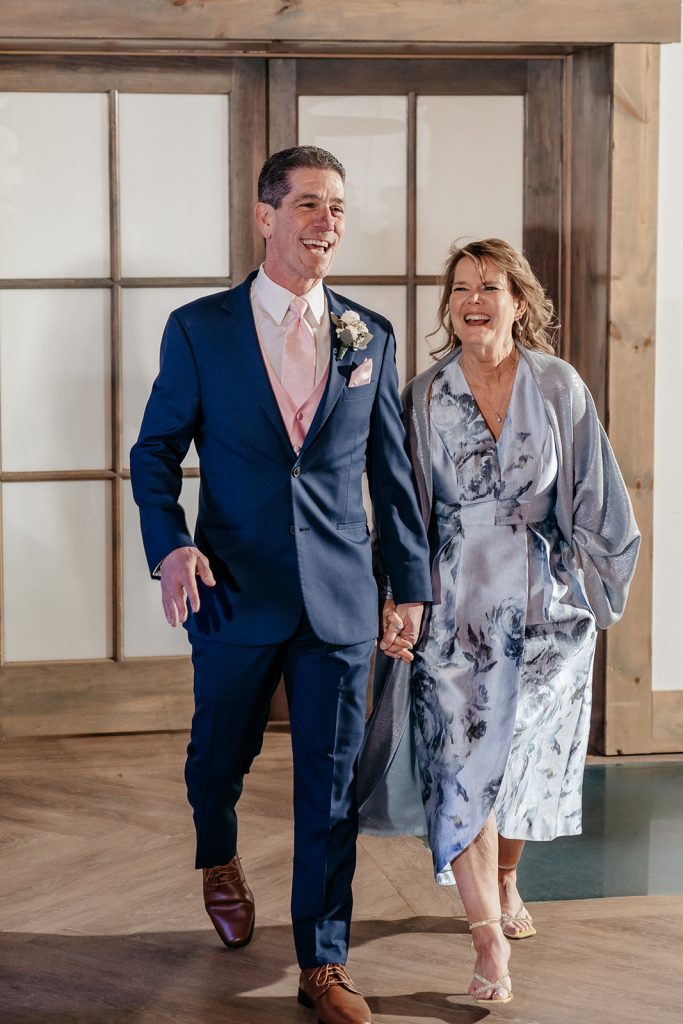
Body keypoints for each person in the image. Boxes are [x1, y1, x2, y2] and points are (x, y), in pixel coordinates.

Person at [130, 146, 432, 1024]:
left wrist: (407, 585)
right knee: (216, 759)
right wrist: (170, 547)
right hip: (230, 588)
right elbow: (154, 453)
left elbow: (392, 475)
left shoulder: (369, 333)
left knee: (331, 786)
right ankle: (218, 853)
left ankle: (323, 961)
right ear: (265, 216)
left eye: (336, 207)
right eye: (307, 204)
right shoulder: (200, 328)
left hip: (339, 598)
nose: (325, 222)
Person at [358, 238, 640, 1005]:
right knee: (463, 767)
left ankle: (507, 874)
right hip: (453, 612)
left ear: (519, 302)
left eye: (489, 286)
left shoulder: (556, 385)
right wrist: (396, 593)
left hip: (546, 612)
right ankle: (487, 942)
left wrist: (589, 589)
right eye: (460, 288)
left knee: (520, 763)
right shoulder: (423, 395)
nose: (472, 300)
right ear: (447, 306)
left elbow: (596, 493)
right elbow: (401, 510)